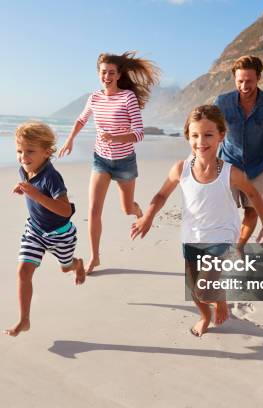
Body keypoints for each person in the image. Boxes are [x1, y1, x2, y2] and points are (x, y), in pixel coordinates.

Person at [130, 105, 263, 337]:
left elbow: (254, 195)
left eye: (208, 135)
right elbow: (161, 195)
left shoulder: (231, 172)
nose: (201, 141)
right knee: (195, 291)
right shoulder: (181, 169)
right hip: (192, 237)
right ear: (188, 136)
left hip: (222, 237)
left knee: (205, 291)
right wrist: (147, 216)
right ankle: (206, 315)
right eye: (195, 135)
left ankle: (219, 300)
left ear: (221, 136)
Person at [58, 51, 159, 274]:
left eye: (111, 72)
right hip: (101, 161)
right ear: (99, 74)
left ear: (118, 74)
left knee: (126, 209)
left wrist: (115, 137)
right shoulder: (94, 97)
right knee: (94, 210)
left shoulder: (127, 98)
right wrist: (70, 140)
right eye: (103, 72)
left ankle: (137, 209)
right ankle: (95, 256)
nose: (107, 76)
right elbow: (81, 119)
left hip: (124, 163)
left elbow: (139, 134)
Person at [5, 122, 85, 337]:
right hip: (35, 231)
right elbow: (31, 188)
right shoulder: (24, 169)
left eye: (30, 151)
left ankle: (77, 264)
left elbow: (65, 210)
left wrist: (35, 195)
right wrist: (23, 189)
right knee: (23, 271)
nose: (23, 157)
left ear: (47, 152)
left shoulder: (52, 177)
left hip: (61, 235)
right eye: (19, 151)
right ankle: (24, 320)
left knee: (65, 268)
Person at [214, 55, 263, 254]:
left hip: (256, 166)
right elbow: (208, 130)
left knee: (252, 211)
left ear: (258, 78)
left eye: (249, 81)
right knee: (226, 213)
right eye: (239, 81)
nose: (244, 86)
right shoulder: (222, 102)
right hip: (227, 164)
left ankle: (239, 246)